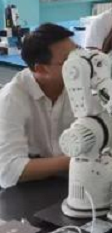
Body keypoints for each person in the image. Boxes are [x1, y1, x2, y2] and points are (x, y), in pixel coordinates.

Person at [0, 24, 76, 188]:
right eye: (68, 60)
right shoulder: (12, 98)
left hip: (69, 179)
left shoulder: (77, 84)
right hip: (27, 189)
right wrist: (76, 160)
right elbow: (9, 170)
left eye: (78, 53)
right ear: (41, 69)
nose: (79, 64)